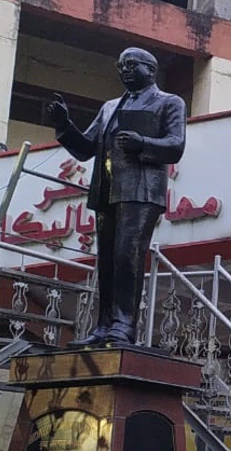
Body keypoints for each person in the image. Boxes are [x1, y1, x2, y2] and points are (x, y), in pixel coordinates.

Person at [47, 48, 187, 348]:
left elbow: (176, 146)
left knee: (127, 255)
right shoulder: (110, 107)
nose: (124, 70)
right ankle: (104, 325)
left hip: (141, 191)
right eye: (120, 65)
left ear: (151, 69)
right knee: (108, 259)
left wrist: (142, 143)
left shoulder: (169, 102)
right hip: (107, 190)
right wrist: (63, 125)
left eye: (131, 65)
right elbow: (85, 149)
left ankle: (124, 325)